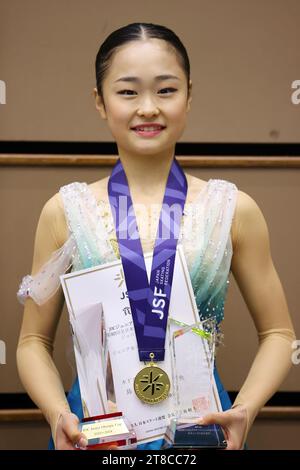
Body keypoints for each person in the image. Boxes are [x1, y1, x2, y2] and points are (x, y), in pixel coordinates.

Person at [16, 22, 295, 451]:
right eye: (128, 92)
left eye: (166, 90)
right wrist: (57, 415)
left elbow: (279, 333)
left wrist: (247, 409)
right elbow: (33, 342)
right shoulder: (66, 211)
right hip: (94, 433)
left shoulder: (232, 208)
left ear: (189, 95)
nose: (148, 107)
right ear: (100, 102)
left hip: (200, 428)